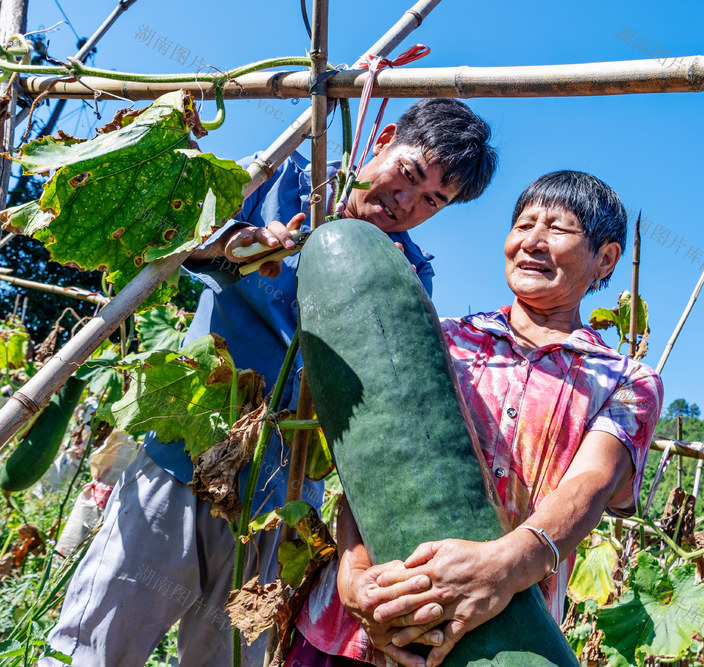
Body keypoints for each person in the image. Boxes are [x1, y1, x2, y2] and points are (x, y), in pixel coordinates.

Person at [42, 99, 498, 667]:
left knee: (225, 659)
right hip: (190, 454)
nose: (406, 202)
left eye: (433, 199)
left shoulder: (406, 269)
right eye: (408, 174)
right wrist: (243, 245)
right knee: (96, 648)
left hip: (283, 501)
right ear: (382, 138)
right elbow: (183, 238)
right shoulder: (284, 177)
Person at [287, 170, 664, 667]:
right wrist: (354, 574)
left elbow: (592, 483)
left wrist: (501, 567)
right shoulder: (442, 337)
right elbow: (373, 461)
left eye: (558, 228)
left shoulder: (625, 380)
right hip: (358, 626)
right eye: (523, 224)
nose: (533, 241)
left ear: (606, 258)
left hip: (496, 639)